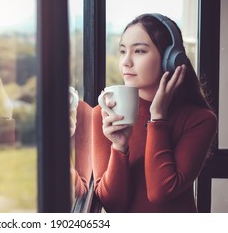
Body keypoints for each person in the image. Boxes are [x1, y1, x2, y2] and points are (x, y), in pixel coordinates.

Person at [92, 13, 217, 212]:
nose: (126, 62)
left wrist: (158, 117)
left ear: (170, 59)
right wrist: (119, 146)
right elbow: (113, 204)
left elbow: (161, 192)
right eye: (123, 51)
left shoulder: (200, 120)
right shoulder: (104, 113)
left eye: (139, 51)